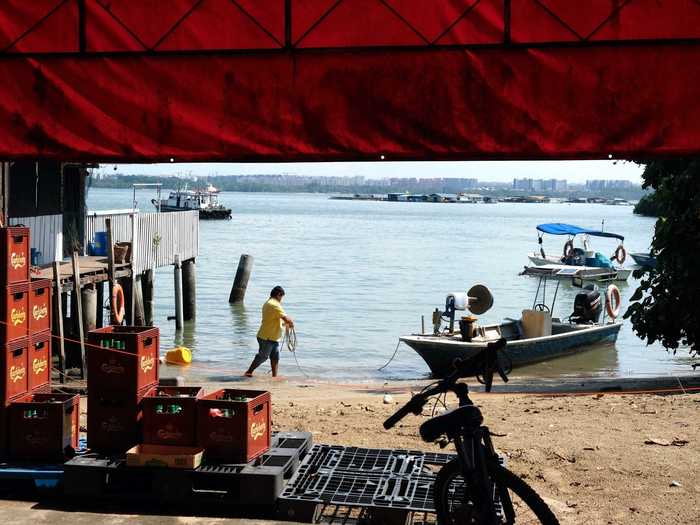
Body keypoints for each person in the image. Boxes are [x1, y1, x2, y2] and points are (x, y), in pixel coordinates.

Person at [245, 286, 294, 377]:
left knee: (275, 357)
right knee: (262, 357)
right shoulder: (274, 305)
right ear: (279, 294)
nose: (281, 300)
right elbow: (287, 319)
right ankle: (249, 372)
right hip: (267, 337)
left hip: (272, 337)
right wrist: (290, 323)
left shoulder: (269, 303)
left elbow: (274, 319)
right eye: (281, 297)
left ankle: (274, 376)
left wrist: (285, 325)